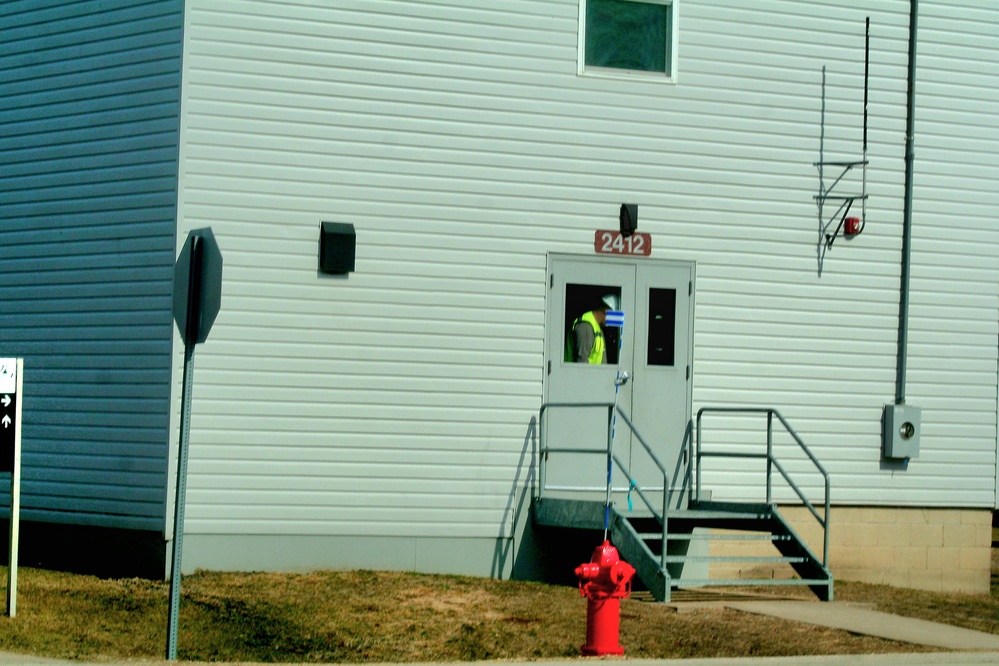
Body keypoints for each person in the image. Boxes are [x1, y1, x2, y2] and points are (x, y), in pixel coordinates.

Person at [566, 294, 619, 364]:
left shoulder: (597, 328)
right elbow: (582, 361)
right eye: (613, 316)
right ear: (606, 310)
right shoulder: (586, 326)